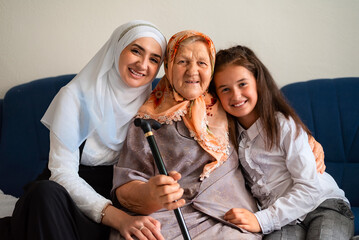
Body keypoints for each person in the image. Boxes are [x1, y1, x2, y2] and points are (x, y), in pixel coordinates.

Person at [109, 30, 324, 240]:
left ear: (210, 70)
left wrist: (307, 138)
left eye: (202, 63)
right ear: (168, 66)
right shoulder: (146, 118)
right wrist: (150, 194)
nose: (192, 71)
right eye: (183, 61)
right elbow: (124, 187)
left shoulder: (226, 102)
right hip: (167, 217)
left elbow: (268, 117)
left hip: (228, 218)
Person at [6, 20, 167, 240]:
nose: (142, 64)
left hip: (125, 199)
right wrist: (119, 219)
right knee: (44, 194)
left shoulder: (156, 107)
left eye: (154, 59)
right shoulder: (75, 97)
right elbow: (62, 173)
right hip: (68, 201)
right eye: (136, 51)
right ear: (117, 49)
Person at [211, 45, 354, 239]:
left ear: (258, 83)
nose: (236, 95)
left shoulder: (283, 125)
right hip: (285, 217)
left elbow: (310, 188)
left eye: (242, 84)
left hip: (324, 204)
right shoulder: (227, 135)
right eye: (225, 89)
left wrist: (261, 220)